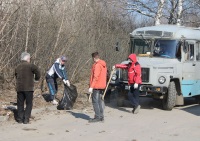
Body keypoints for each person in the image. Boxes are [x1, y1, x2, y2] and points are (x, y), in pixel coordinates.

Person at [15, 52, 40, 124]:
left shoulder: (17, 67)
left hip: (19, 88)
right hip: (28, 88)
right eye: (29, 58)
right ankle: (26, 119)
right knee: (29, 103)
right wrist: (36, 79)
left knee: (20, 103)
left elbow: (16, 76)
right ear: (28, 59)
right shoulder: (31, 66)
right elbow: (38, 72)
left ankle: (20, 119)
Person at [88, 52, 107, 123]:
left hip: (97, 85)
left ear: (93, 58)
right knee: (99, 101)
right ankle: (101, 116)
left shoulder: (97, 65)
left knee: (95, 101)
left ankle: (97, 116)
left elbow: (95, 77)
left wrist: (91, 86)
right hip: (102, 85)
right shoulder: (103, 64)